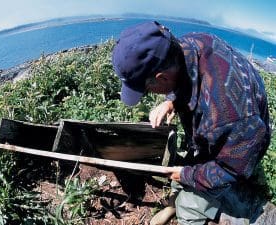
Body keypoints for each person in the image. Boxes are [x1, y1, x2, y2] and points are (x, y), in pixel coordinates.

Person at [112, 21, 271, 225]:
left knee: (189, 207)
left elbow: (232, 168)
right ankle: (173, 203)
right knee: (184, 169)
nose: (149, 94)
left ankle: (186, 211)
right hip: (221, 126)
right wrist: (171, 101)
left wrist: (188, 174)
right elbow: (182, 75)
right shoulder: (187, 45)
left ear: (161, 78)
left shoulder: (230, 115)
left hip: (241, 144)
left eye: (147, 90)